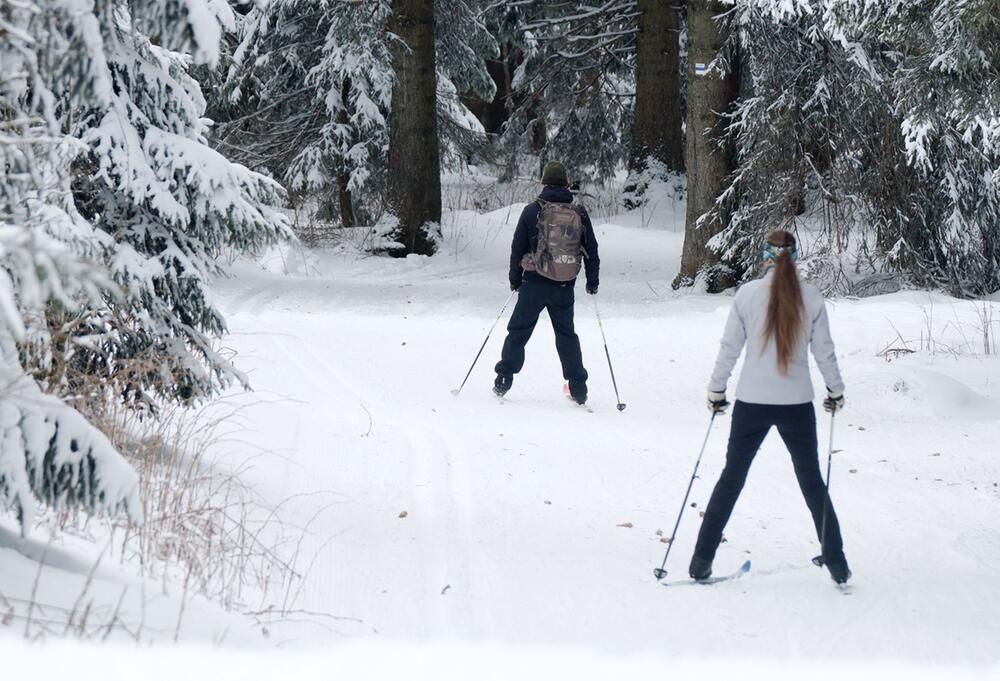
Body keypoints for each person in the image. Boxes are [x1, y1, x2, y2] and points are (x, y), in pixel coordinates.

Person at [690, 230, 851, 584]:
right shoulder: (811, 298)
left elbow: (729, 348)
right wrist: (835, 391)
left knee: (732, 478)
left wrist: (716, 390)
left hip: (752, 403)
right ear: (795, 257)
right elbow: (824, 351)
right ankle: (837, 563)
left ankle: (701, 560)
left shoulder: (747, 295)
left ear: (765, 257)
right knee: (811, 481)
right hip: (796, 404)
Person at [493, 161, 600, 404]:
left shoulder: (532, 210)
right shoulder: (579, 213)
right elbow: (591, 249)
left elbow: (517, 247)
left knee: (518, 332)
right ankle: (579, 389)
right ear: (566, 184)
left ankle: (503, 380)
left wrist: (514, 279)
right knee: (566, 336)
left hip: (534, 284)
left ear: (544, 182)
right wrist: (592, 281)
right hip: (564, 286)